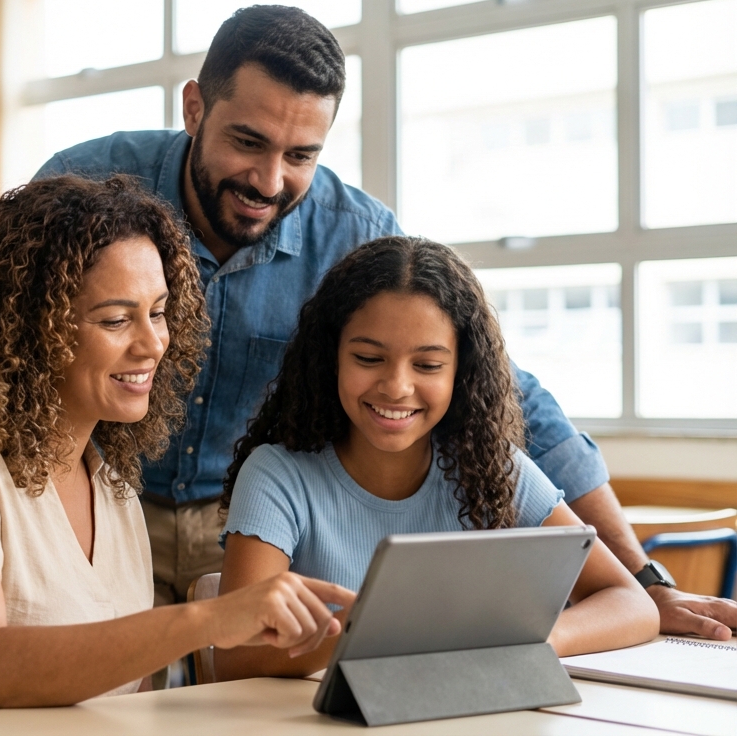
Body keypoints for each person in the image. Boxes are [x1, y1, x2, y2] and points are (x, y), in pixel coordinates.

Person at [0, 3, 737, 639]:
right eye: (248, 141)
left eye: (302, 154)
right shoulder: (90, 184)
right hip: (93, 515)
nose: (270, 181)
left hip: (246, 527)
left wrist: (642, 579)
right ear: (194, 106)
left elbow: (510, 396)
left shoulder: (356, 233)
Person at [0, 175, 356, 727]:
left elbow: (124, 695)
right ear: (30, 328)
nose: (153, 343)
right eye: (116, 319)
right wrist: (204, 621)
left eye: (159, 312)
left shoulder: (110, 482)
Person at [215, 237, 658, 679]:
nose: (396, 387)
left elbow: (632, 602)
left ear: (460, 373)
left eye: (427, 366)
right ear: (330, 357)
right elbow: (236, 656)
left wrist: (542, 638)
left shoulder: (492, 468)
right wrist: (385, 632)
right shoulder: (276, 476)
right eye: (368, 358)